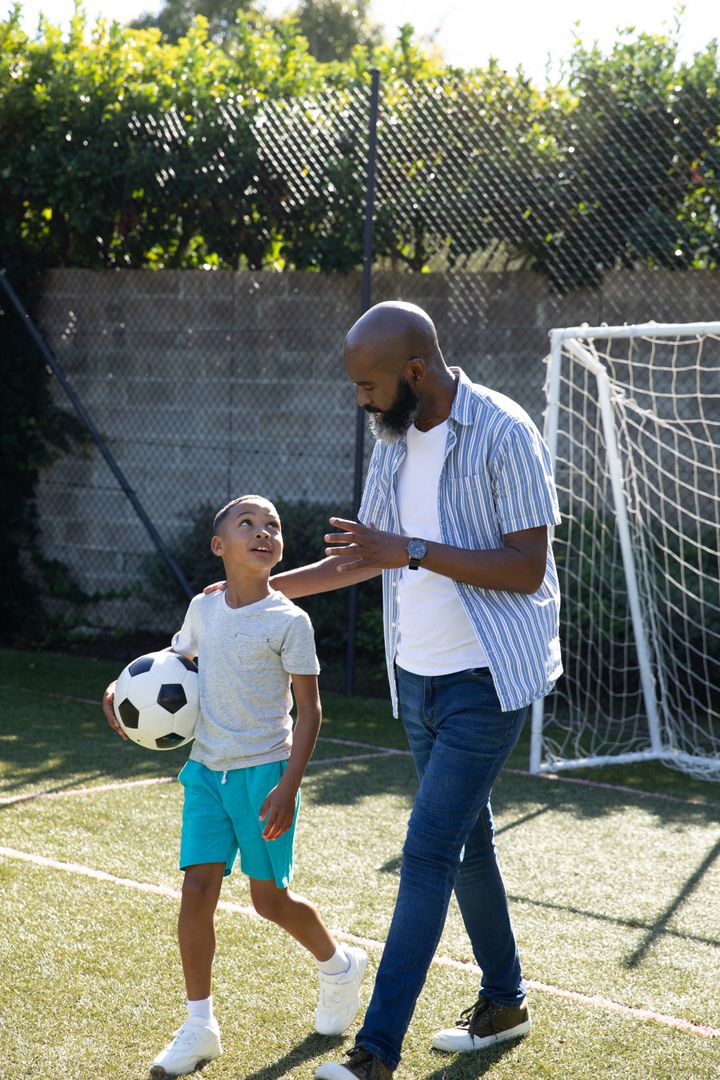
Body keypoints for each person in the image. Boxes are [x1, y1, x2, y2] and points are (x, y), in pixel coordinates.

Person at [203, 301, 561, 1080]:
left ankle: (374, 1054)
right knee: (469, 847)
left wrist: (415, 550)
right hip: (420, 684)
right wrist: (250, 591)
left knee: (427, 854)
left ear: (414, 372)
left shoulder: (504, 431)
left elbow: (527, 566)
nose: (360, 400)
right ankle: (504, 1001)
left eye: (368, 385)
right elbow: (360, 558)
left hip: (486, 682)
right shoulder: (394, 442)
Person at [103, 495, 367, 1079]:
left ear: (279, 547)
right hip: (204, 773)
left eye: (272, 525)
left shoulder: (289, 621)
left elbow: (311, 712)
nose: (263, 532)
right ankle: (200, 1025)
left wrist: (288, 785)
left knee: (268, 901)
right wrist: (121, 696)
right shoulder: (206, 608)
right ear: (219, 546)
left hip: (265, 776)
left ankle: (338, 965)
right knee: (197, 890)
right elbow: (173, 667)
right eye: (246, 524)